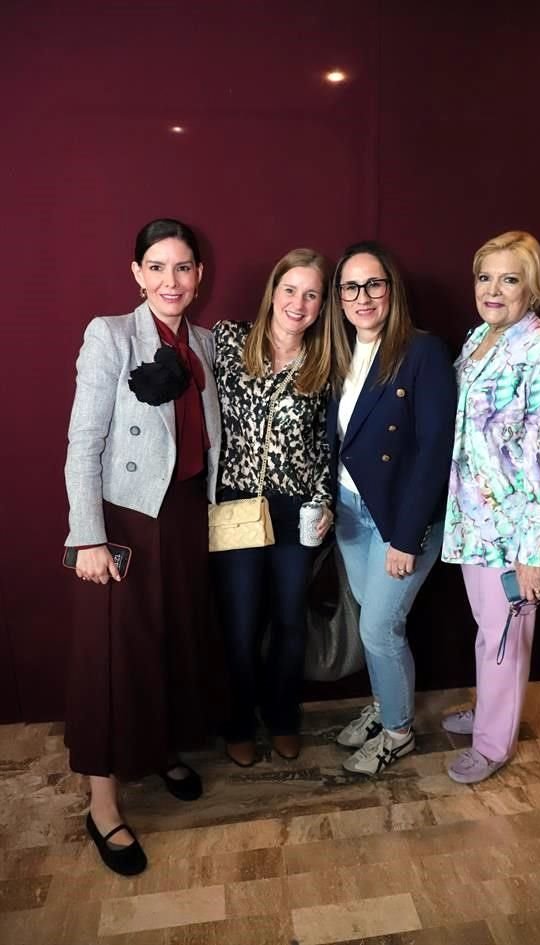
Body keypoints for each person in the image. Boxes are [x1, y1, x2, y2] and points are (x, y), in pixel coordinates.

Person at [63, 218, 221, 875]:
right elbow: (84, 440)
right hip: (124, 519)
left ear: (199, 276)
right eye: (156, 266)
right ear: (136, 272)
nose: (170, 281)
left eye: (183, 267)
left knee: (173, 639)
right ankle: (102, 803)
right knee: (112, 657)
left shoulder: (207, 342)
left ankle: (158, 748)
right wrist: (88, 535)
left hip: (184, 512)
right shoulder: (109, 334)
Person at [441, 230, 540, 784]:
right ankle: (492, 707)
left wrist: (531, 554)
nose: (493, 289)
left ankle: (494, 743)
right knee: (489, 629)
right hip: (473, 519)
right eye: (485, 277)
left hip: (513, 530)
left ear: (534, 287)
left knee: (506, 637)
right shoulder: (482, 335)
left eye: (510, 278)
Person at [327, 240, 457, 775]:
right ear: (339, 297)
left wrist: (407, 536)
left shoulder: (422, 351)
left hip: (398, 518)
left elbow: (434, 449)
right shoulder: (336, 352)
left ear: (392, 289)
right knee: (375, 626)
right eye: (351, 287)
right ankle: (384, 707)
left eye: (373, 284)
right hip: (352, 513)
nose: (363, 296)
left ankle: (399, 731)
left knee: (380, 627)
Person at [212, 248, 334, 767]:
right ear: (273, 291)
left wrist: (324, 498)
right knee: (239, 622)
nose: (298, 303)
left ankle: (282, 715)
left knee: (288, 620)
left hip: (297, 509)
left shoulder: (327, 362)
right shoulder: (227, 340)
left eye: (311, 294)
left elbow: (331, 440)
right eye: (290, 290)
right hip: (237, 505)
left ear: (321, 305)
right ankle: (239, 720)